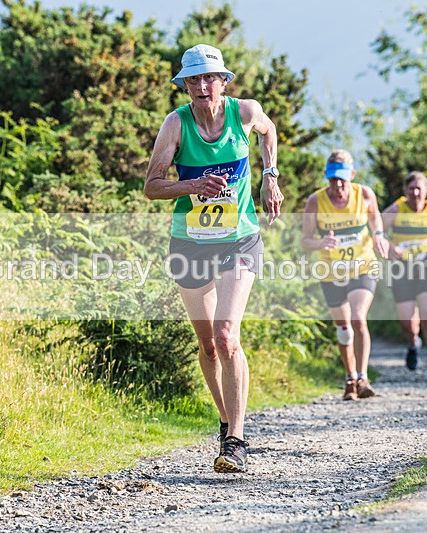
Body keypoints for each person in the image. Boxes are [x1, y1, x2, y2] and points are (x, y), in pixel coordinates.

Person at [143, 44, 283, 473]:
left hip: (238, 239)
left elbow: (269, 131)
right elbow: (152, 186)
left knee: (226, 336)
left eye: (210, 78)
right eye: (194, 80)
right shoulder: (176, 125)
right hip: (190, 243)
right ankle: (225, 422)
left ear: (224, 81)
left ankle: (237, 441)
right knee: (206, 345)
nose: (203, 87)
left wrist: (270, 178)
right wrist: (193, 186)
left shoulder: (244, 113)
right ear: (184, 85)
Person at [302, 150, 389, 400]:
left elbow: (377, 222)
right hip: (331, 270)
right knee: (344, 327)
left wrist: (379, 236)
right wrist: (320, 244)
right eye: (332, 179)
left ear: (352, 175)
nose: (338, 185)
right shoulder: (315, 201)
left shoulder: (364, 194)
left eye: (342, 178)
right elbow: (305, 240)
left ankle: (363, 377)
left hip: (363, 266)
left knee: (358, 318)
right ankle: (350, 378)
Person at [382, 172, 427, 380]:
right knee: (407, 321)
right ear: (405, 191)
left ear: (426, 190)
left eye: (419, 188)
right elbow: (375, 230)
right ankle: (413, 343)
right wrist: (389, 247)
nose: (415, 193)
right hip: (402, 268)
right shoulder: (397, 209)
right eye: (411, 189)